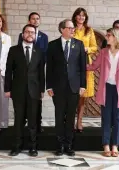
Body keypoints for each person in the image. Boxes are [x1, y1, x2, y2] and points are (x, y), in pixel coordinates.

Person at [87, 28, 119, 157]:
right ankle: (106, 145)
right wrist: (80, 65)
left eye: (108, 35)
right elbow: (93, 66)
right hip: (106, 88)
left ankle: (115, 146)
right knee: (106, 118)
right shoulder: (103, 52)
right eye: (107, 35)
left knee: (118, 119)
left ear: (115, 36)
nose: (106, 37)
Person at [46, 19, 87, 156]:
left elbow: (82, 67)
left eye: (73, 28)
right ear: (62, 29)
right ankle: (60, 145)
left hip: (74, 87)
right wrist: (49, 86)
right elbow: (49, 68)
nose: (72, 30)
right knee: (59, 116)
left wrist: (83, 85)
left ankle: (68, 145)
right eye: (69, 28)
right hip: (58, 88)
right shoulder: (52, 45)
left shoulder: (79, 44)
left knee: (70, 117)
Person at [6, 24, 45, 157]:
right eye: (27, 32)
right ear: (22, 34)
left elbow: (41, 73)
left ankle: (33, 147)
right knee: (19, 120)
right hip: (18, 90)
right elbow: (8, 70)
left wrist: (42, 90)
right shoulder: (13, 50)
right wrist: (7, 89)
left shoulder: (39, 51)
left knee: (33, 121)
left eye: (32, 33)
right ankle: (17, 146)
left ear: (35, 35)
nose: (30, 34)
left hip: (34, 91)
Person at [17, 12, 48, 133]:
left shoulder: (43, 36)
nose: (35, 21)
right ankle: (24, 123)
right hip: (25, 73)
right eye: (33, 19)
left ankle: (38, 123)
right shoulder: (22, 35)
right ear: (29, 21)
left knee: (37, 100)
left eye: (37, 19)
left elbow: (44, 53)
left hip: (37, 71)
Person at [72, 8, 97, 133]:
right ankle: (70, 121)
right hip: (72, 63)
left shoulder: (89, 30)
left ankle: (79, 122)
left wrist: (87, 49)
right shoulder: (72, 28)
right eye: (79, 15)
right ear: (75, 17)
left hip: (86, 63)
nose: (81, 17)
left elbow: (94, 47)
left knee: (82, 96)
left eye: (83, 15)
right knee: (72, 95)